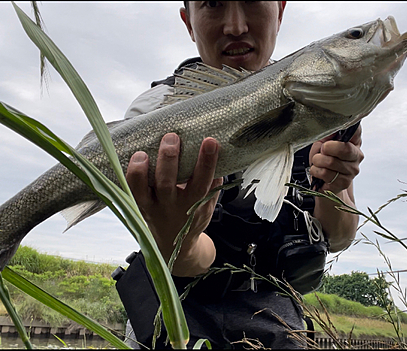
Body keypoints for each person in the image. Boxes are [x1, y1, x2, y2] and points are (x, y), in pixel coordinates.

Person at [116, 1, 364, 349]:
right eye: (213, 4)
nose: (235, 26)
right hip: (175, 315)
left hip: (279, 322)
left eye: (251, 2)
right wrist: (180, 239)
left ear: (279, 11)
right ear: (189, 22)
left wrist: (336, 186)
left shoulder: (316, 98)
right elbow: (187, 258)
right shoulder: (154, 116)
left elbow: (338, 236)